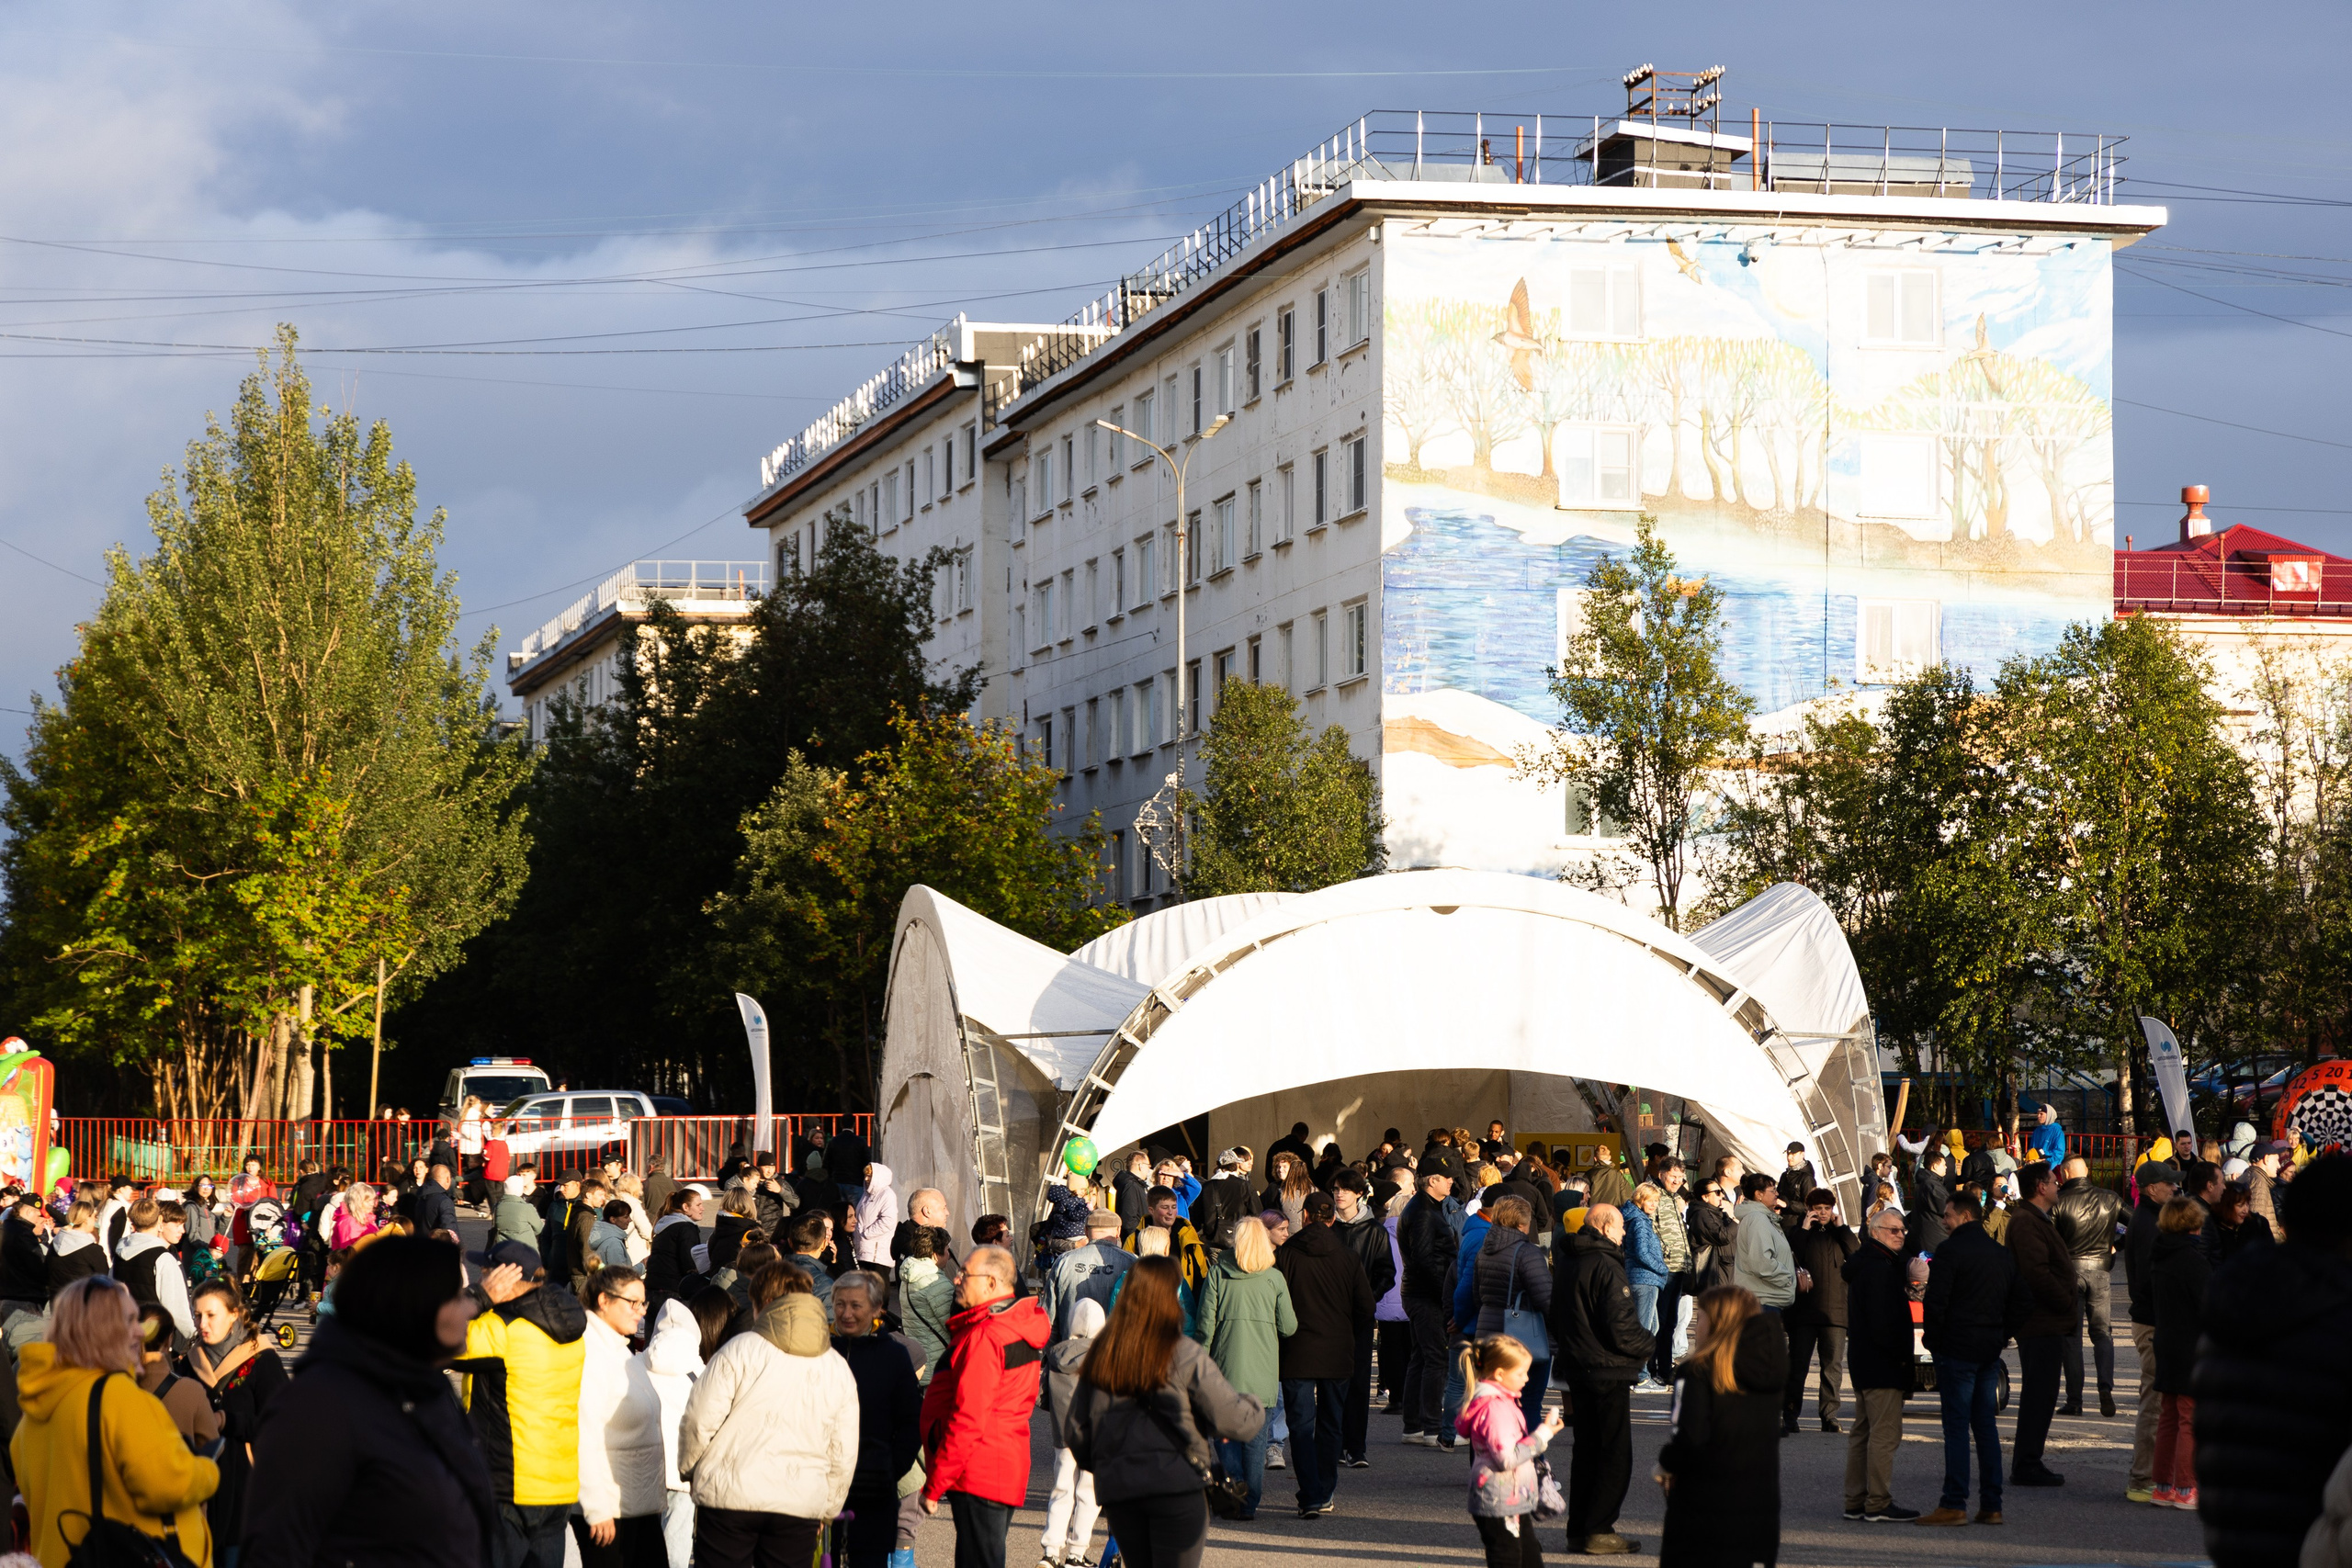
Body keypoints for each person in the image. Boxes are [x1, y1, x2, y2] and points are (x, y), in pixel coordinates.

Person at [1060, 1254, 1264, 1568]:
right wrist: (1255, 1404)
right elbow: (1234, 1420)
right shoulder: (1183, 1353)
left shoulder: (1103, 1353)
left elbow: (1077, 1429)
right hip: (1176, 1484)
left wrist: (1107, 1463)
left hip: (1120, 1490)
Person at [13, 1275, 220, 1565]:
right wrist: (206, 1470)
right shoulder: (119, 1397)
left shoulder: (33, 1415)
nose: (140, 1332)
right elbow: (168, 1484)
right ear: (101, 1331)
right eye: (130, 1320)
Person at [677, 1261, 858, 1568]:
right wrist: (828, 1507)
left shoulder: (739, 1349)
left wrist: (691, 1470)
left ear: (762, 1304)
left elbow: (698, 1420)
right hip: (799, 1501)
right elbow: (843, 1448)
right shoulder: (836, 1367)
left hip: (729, 1496)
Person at [917, 1244, 1050, 1568]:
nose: (957, 1279)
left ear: (991, 1282)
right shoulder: (1011, 1326)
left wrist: (935, 1486)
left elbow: (970, 1417)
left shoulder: (988, 1335)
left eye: (965, 1273)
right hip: (998, 1465)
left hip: (980, 1469)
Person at [458, 1239, 590, 1568]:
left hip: (508, 1485)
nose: (480, 1278)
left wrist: (478, 1297)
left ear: (499, 1278)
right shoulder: (568, 1327)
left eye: (484, 1273)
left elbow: (428, 1337)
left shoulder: (499, 1329)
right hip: (557, 1484)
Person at [1916, 1190, 2027, 1527]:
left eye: (1947, 1215)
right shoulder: (2001, 1253)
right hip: (1987, 1349)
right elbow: (2022, 1302)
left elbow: (1937, 1303)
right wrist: (2001, 1333)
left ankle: (1954, 1503)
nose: (1944, 1222)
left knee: (1956, 1428)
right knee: (1985, 1427)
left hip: (1957, 1349)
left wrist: (1935, 1342)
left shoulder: (1950, 1251)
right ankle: (1991, 1505)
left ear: (1964, 1217)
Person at [1655, 1285, 1785, 1568]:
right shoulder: (1767, 1373)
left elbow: (1689, 1439)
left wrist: (1666, 1461)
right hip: (1756, 1505)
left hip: (1703, 1509)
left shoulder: (1697, 1372)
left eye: (1701, 1316)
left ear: (1715, 1323)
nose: (1696, 1325)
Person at [1550, 1204, 1654, 1556]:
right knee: (1612, 1454)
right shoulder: (1606, 1263)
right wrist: (1650, 1345)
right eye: (1621, 1227)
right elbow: (1621, 1327)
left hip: (1579, 1365)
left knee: (1587, 1451)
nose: (1624, 1233)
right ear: (1606, 1227)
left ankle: (1580, 1529)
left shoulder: (1569, 1260)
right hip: (1607, 1369)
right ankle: (1598, 1528)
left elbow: (1556, 1314)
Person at [1275, 1190, 1374, 1520]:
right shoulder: (1348, 1257)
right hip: (1337, 1351)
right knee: (1331, 1424)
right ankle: (1325, 1489)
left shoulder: (1286, 1254)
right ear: (1332, 1218)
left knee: (1301, 1425)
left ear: (1303, 1216)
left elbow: (1278, 1303)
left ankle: (1310, 1495)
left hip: (1296, 1350)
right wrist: (1349, 1334)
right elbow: (1366, 1308)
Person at [1191, 1215, 1294, 1517]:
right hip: (1263, 1374)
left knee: (1224, 1435)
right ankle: (1250, 1501)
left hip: (1224, 1371)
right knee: (1256, 1442)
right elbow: (1289, 1326)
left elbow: (1206, 1325)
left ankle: (1233, 1485)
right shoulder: (1274, 1278)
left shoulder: (1218, 1275)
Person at [187, 1278, 289, 1562]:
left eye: (211, 1315)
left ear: (234, 1314)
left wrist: (229, 1421)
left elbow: (282, 1427)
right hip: (201, 1492)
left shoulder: (261, 1359)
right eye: (197, 1315)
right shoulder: (190, 1362)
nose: (202, 1323)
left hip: (247, 1489)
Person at [831, 1271, 921, 1568]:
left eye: (855, 1306)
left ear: (876, 1308)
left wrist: (891, 1468)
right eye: (839, 1304)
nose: (846, 1313)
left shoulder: (894, 1356)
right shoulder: (822, 1353)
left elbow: (910, 1421)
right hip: (822, 1488)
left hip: (874, 1489)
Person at [1840, 1205, 1924, 1522]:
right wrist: (1901, 1361)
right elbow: (1883, 1323)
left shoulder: (1873, 1262)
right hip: (1882, 1363)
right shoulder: (1878, 1268)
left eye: (1903, 1230)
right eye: (1893, 1230)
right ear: (1876, 1233)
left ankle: (1856, 1500)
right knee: (1884, 1435)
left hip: (1866, 1361)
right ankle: (1877, 1502)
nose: (1901, 1234)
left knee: (1863, 1432)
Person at [1454, 1334, 1561, 1568]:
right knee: (1508, 1557)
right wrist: (1541, 1437)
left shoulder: (1500, 1402)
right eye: (1521, 1372)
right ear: (1500, 1374)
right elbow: (1506, 1458)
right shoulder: (1496, 1409)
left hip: (1508, 1497)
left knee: (1528, 1555)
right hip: (1499, 1499)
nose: (1526, 1378)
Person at [2003, 1160, 2076, 1486]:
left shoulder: (2034, 1219)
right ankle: (2027, 1463)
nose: (2058, 1184)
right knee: (2039, 1394)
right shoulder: (2025, 1222)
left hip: (2046, 1320)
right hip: (2040, 1321)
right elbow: (2036, 1273)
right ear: (2040, 1187)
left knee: (2043, 1393)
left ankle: (2030, 1460)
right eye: (2053, 1180)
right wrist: (2065, 1300)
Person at [2122, 1157, 2179, 1503]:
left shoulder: (2151, 1220)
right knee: (2155, 1402)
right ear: (2150, 1189)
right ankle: (2142, 1477)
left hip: (2154, 1320)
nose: (2174, 1187)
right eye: (2169, 1183)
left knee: (2160, 1401)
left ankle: (2153, 1475)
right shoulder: (2148, 1225)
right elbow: (2149, 1281)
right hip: (2153, 1323)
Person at [1468, 1196, 1552, 1429]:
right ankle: (1530, 1461)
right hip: (1522, 1341)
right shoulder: (1527, 1253)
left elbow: (1477, 1295)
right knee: (1529, 1405)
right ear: (1523, 1223)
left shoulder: (1484, 1250)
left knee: (1487, 1407)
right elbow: (1546, 1299)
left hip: (1486, 1334)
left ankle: (1484, 1462)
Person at [2148, 1195, 2209, 1512]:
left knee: (2169, 1417)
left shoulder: (2160, 1256)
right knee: (2189, 1417)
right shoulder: (2193, 1261)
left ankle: (2162, 1486)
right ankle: (2185, 1487)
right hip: (2190, 1344)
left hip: (2166, 1340)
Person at [2050, 1155, 2122, 1418]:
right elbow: (2136, 1223)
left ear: (2065, 1174)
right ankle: (2105, 1386)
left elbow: (2050, 1241)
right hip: (2101, 1271)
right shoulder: (2110, 1198)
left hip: (2070, 1272)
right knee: (2103, 1333)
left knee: (2072, 1338)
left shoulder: (2059, 1201)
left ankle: (2075, 1399)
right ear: (2086, 1171)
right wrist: (2114, 1248)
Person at [1781, 1186, 1855, 1436]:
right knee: (1797, 1366)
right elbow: (1792, 1256)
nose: (1823, 1213)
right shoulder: (1798, 1232)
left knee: (1832, 1367)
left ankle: (1829, 1417)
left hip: (1835, 1312)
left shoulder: (1840, 1234)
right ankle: (1790, 1415)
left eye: (1826, 1208)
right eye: (1817, 1209)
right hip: (1803, 1312)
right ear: (1809, 1209)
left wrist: (1842, 1227)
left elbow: (1856, 1255)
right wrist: (1803, 1228)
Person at [1042, 1296, 1110, 1567]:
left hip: (1063, 1434)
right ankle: (1076, 1553)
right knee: (1088, 1493)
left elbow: (1043, 1396)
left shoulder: (1058, 1355)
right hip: (1094, 1434)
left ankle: (1050, 1551)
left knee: (1061, 1489)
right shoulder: (1105, 1357)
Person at [1398, 1165, 1456, 1447]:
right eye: (1448, 1178)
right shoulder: (1422, 1211)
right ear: (1433, 1180)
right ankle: (1431, 1427)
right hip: (1426, 1295)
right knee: (1435, 1358)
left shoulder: (1423, 1208)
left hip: (1420, 1293)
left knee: (1422, 1357)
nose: (1452, 1182)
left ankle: (1415, 1425)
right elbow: (1423, 1259)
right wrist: (1443, 1294)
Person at [1042, 1208, 1135, 1343]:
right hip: (1114, 1354)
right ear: (1118, 1231)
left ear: (1085, 1231)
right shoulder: (1131, 1262)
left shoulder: (1064, 1261)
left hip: (1070, 1355)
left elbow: (1049, 1317)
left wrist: (1052, 1357)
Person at [136, 1303, 220, 1447]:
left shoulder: (114, 1387)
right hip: (177, 1467)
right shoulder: (191, 1391)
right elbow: (211, 1446)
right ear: (170, 1339)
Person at [115, 1195, 196, 1343]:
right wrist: (193, 1334)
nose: (183, 1230)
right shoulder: (163, 1258)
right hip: (153, 1337)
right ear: (159, 1221)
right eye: (177, 1225)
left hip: (124, 1333)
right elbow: (176, 1307)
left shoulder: (119, 1253)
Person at [1731, 1172, 1799, 1313]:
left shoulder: (1763, 1218)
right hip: (1762, 1301)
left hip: (1765, 1297)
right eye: (1773, 1190)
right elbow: (1761, 1263)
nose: (1777, 1194)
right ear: (1759, 1194)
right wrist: (1788, 1278)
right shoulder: (1758, 1219)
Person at [898, 1226, 956, 1387]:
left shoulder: (908, 1276)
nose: (949, 1255)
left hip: (917, 1360)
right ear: (935, 1255)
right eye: (947, 1250)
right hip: (936, 1363)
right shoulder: (936, 1283)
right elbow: (953, 1324)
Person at [1122, 1187, 1207, 1292]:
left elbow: (1202, 1274)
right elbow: (1125, 1273)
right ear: (1151, 1210)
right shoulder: (1135, 1239)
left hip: (1183, 1301)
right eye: (1165, 1207)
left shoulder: (1187, 1236)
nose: (1170, 1212)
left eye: (1174, 1207)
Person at [646, 1187, 708, 1314]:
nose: (702, 1208)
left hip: (652, 1286)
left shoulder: (664, 1225)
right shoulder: (686, 1228)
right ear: (686, 1207)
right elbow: (689, 1263)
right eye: (698, 1205)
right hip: (673, 1290)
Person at [1192, 1146, 1256, 1253]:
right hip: (1239, 1240)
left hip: (1213, 1240)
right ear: (1236, 1165)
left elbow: (1197, 1216)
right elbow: (1257, 1213)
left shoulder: (1207, 1186)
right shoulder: (1244, 1186)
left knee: (1215, 1269)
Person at [783, 1211, 838, 1311]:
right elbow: (830, 1323)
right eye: (826, 1229)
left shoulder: (770, 1273)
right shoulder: (824, 1285)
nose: (829, 1233)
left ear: (790, 1242)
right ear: (823, 1244)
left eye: (831, 1229)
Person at [854, 1161, 899, 1269]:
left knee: (877, 1285)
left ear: (877, 1177)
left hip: (877, 1255)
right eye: (865, 1175)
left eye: (869, 1176)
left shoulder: (887, 1195)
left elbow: (888, 1221)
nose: (866, 1179)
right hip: (864, 1250)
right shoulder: (866, 1194)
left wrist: (866, 1234)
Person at [1908, 1145, 1952, 1256]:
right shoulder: (1932, 1185)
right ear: (1934, 1166)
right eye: (1943, 1165)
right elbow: (1948, 1209)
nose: (1946, 1167)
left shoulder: (1927, 1182)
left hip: (1930, 1236)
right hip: (1935, 1238)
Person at [1775, 1143, 1817, 1211]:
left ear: (1802, 1154)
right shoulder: (1784, 1175)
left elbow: (1810, 1206)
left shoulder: (1807, 1178)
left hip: (1800, 1220)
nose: (1789, 1157)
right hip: (1783, 1219)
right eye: (1788, 1154)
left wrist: (1787, 1205)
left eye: (1793, 1154)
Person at [2025, 1100, 2067, 1167]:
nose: (2038, 1116)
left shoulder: (2057, 1132)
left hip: (2052, 1166)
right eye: (2038, 1114)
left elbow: (2059, 1153)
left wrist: (2043, 1157)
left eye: (2041, 1114)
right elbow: (2032, 1148)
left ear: (2049, 1115)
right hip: (2036, 1165)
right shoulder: (2037, 1130)